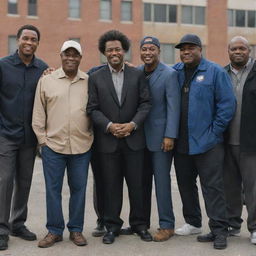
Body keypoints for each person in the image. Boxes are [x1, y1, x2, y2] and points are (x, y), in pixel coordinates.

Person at [86, 30, 152, 244]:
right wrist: (109, 126)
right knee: (110, 186)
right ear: (104, 53)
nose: (114, 52)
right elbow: (92, 108)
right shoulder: (95, 77)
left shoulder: (138, 74)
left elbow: (145, 104)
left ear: (124, 50)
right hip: (108, 142)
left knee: (137, 186)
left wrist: (132, 125)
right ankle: (112, 226)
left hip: (134, 141)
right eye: (109, 50)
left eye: (117, 49)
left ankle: (140, 225)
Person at [173, 34, 236, 249]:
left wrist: (214, 133)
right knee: (185, 185)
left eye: (191, 48)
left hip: (208, 143)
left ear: (200, 49)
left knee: (212, 188)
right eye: (182, 49)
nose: (186, 52)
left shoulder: (215, 72)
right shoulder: (176, 72)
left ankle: (219, 230)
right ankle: (193, 222)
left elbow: (227, 105)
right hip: (182, 143)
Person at [32, 40, 93, 248]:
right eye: (67, 54)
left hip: (81, 146)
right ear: (61, 56)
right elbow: (38, 114)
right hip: (53, 147)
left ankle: (76, 230)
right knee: (53, 190)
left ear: (80, 58)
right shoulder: (47, 81)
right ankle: (54, 231)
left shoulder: (88, 80)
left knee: (79, 189)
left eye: (75, 55)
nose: (70, 58)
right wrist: (43, 142)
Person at [0, 24, 48, 251]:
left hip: (30, 137)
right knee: (5, 181)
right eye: (25, 39)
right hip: (6, 135)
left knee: (25, 182)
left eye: (33, 40)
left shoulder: (43, 68)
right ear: (17, 40)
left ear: (38, 43)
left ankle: (18, 223)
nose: (29, 43)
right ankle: (1, 229)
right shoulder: (3, 66)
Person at [138, 36, 180, 241]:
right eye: (144, 49)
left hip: (161, 138)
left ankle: (167, 225)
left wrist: (170, 135)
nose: (148, 53)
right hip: (138, 138)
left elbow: (174, 107)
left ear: (158, 51)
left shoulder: (169, 74)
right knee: (141, 183)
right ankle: (142, 223)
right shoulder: (136, 72)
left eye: (151, 49)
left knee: (161, 183)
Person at [224, 36, 256, 244]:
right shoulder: (221, 73)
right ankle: (232, 224)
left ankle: (254, 228)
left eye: (242, 48)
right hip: (226, 142)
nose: (238, 51)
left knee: (253, 188)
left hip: (251, 142)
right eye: (234, 48)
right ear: (228, 51)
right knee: (230, 187)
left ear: (249, 51)